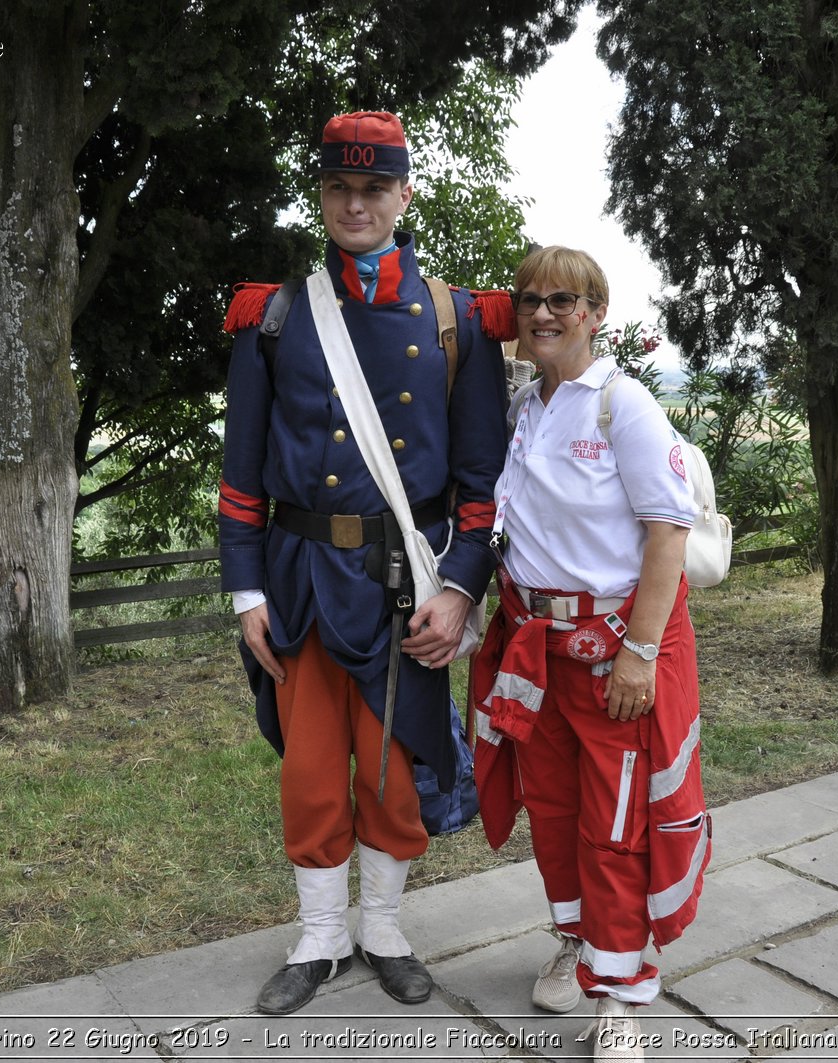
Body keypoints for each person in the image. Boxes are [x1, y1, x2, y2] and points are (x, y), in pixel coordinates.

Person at [217, 110, 511, 1016]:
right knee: (310, 770)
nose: (357, 203)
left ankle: (382, 928)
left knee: (392, 767)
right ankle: (319, 939)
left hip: (406, 585)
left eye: (374, 188)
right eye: (340, 188)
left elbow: (479, 489)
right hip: (301, 577)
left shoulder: (458, 320)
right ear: (322, 196)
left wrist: (462, 588)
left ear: (404, 194)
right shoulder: (271, 316)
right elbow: (239, 479)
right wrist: (246, 591)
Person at [470, 246, 710, 1062]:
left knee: (616, 825)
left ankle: (620, 999)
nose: (544, 312)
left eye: (563, 300)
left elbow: (668, 535)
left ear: (595, 313)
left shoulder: (624, 404)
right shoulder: (526, 406)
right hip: (537, 654)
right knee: (559, 814)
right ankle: (578, 945)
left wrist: (641, 651)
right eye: (530, 298)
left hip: (612, 655)